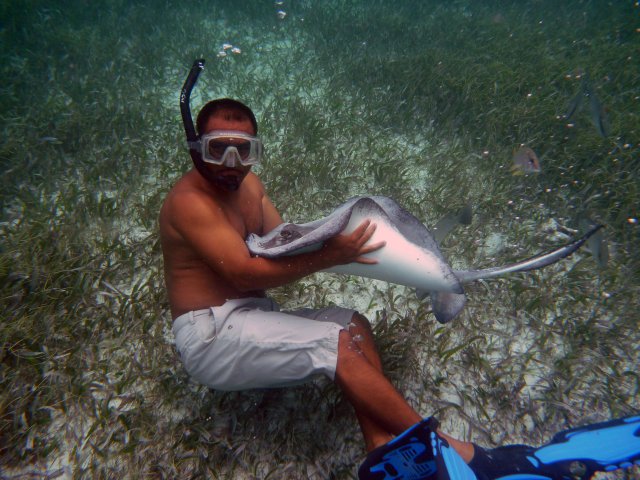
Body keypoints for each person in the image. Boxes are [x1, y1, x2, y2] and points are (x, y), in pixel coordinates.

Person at [160, 97, 640, 480]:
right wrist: (337, 254)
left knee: (354, 326)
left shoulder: (250, 186)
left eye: (244, 150)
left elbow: (282, 245)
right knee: (337, 346)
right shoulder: (189, 205)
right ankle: (455, 453)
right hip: (211, 335)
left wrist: (349, 249)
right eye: (217, 148)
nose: (230, 162)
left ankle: (389, 455)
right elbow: (246, 272)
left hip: (251, 313)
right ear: (194, 146)